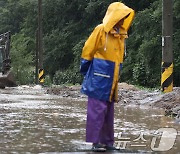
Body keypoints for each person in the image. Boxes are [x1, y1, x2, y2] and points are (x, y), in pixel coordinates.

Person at [80, 2, 135, 152]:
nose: (123, 19)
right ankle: (95, 141)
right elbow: (87, 50)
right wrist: (85, 69)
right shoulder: (100, 30)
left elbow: (119, 58)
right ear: (114, 16)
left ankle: (108, 142)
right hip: (98, 75)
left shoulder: (121, 36)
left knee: (108, 111)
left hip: (112, 77)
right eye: (121, 16)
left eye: (125, 17)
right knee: (96, 110)